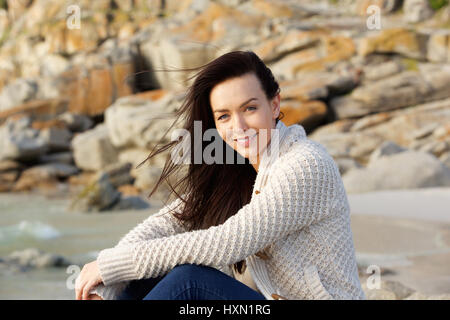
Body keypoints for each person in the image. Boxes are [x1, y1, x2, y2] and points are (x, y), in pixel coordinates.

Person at [74, 50, 366, 300]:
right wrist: (106, 284)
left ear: (274, 105)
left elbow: (227, 242)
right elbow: (166, 224)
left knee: (189, 281)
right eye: (224, 116)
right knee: (146, 276)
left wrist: (113, 264)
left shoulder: (305, 164)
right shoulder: (240, 168)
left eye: (249, 108)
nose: (238, 126)